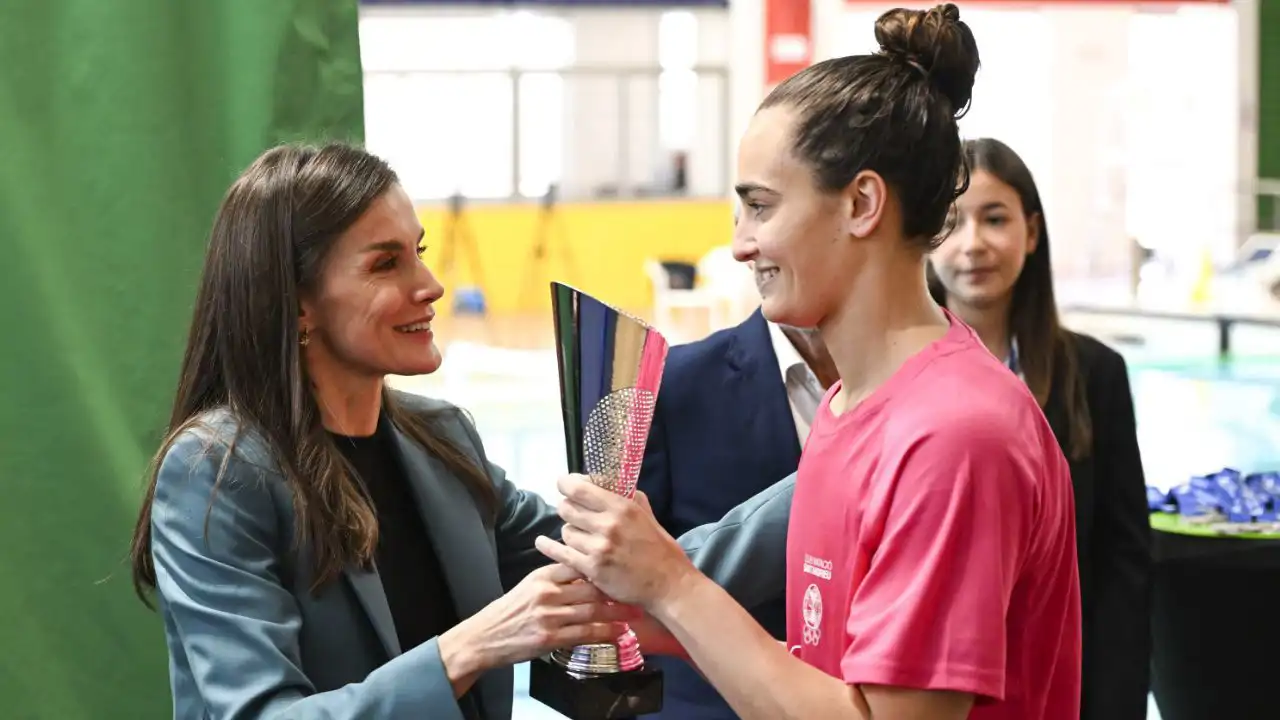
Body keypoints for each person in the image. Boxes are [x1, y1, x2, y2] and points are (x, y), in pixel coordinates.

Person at [536, 5, 1082, 720]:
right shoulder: (848, 405)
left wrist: (673, 582)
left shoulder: (955, 436)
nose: (740, 245)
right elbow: (826, 669)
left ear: (861, 203)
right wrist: (644, 611)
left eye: (761, 208)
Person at [126, 143, 794, 720]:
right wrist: (472, 645)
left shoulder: (441, 444)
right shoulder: (216, 473)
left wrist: (835, 461)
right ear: (297, 304)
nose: (432, 284)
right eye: (386, 264)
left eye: (417, 252)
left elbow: (627, 571)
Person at [926, 137, 1151, 720]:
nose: (973, 244)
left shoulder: (1094, 375)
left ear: (1031, 231)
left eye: (994, 219)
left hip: (1060, 684)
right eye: (952, 223)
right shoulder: (899, 380)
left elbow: (1122, 561)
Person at [638, 262, 836, 720]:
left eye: (766, 207)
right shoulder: (674, 384)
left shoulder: (928, 392)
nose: (744, 244)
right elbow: (624, 591)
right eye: (746, 210)